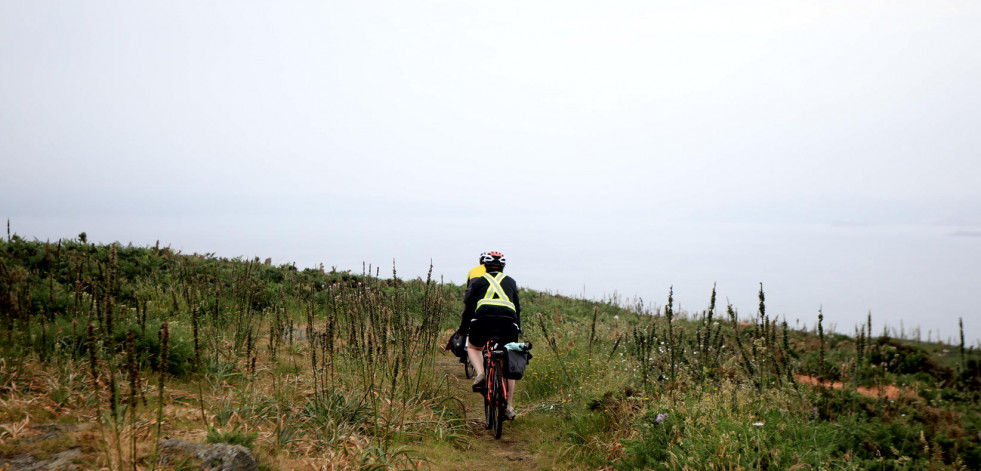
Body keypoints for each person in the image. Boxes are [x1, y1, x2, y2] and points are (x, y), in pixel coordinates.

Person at [458, 251, 521, 418]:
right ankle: (508, 407)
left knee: (473, 347)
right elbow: (517, 308)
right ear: (503, 267)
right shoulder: (511, 282)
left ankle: (480, 375)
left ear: (484, 266)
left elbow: (469, 308)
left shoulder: (478, 281)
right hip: (508, 322)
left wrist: (464, 329)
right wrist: (518, 328)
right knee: (507, 363)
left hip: (482, 320)